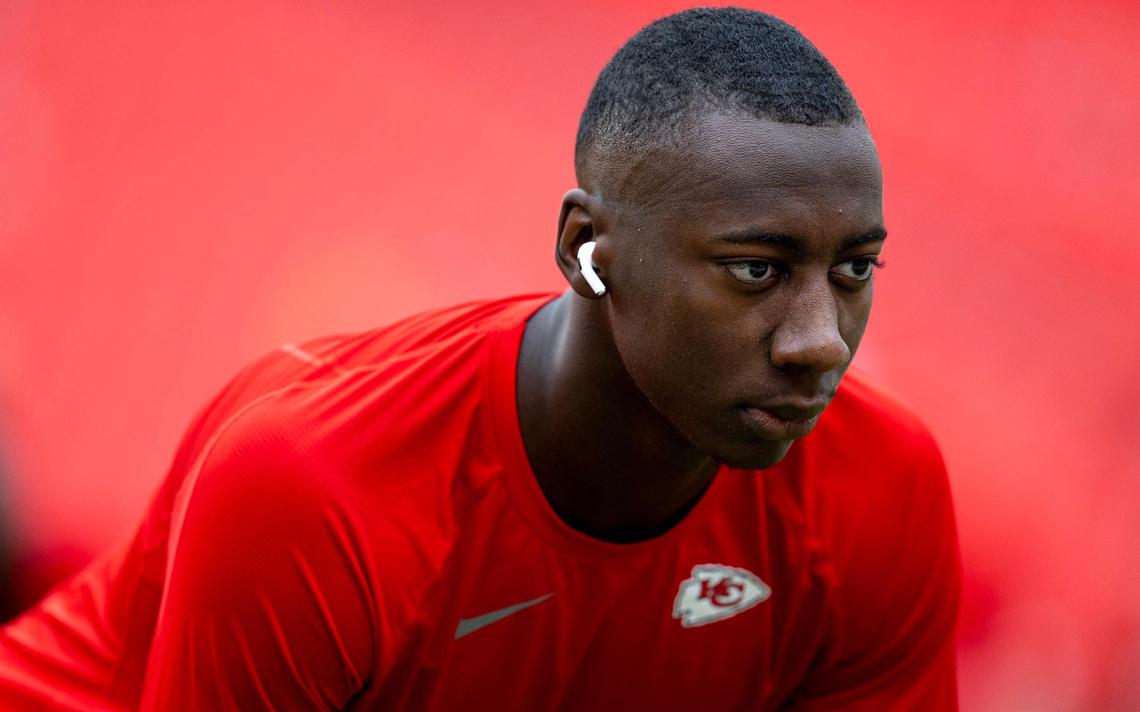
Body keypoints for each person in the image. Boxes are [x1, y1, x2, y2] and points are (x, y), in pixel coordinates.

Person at [0, 7, 959, 710]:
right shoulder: (313, 492)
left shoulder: (883, 487)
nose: (819, 341)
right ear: (588, 248)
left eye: (855, 268)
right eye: (756, 268)